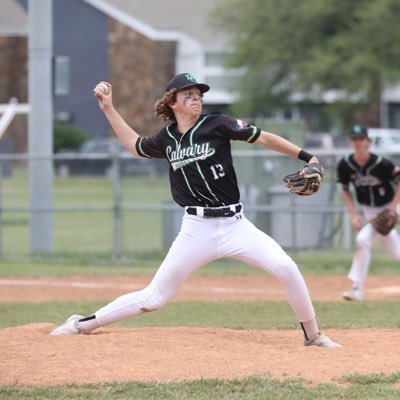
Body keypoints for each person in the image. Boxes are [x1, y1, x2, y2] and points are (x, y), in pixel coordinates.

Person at [50, 73, 341, 347]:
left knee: (286, 267)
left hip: (236, 225)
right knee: (154, 298)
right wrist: (109, 109)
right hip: (195, 229)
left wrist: (308, 156)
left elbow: (263, 137)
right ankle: (80, 324)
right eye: (188, 94)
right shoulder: (166, 140)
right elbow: (134, 145)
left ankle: (312, 336)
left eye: (198, 94)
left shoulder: (218, 124)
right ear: (173, 103)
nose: (196, 98)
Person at [337, 124, 400, 301]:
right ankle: (357, 288)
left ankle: (356, 288)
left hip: (390, 205)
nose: (357, 142)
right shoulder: (345, 165)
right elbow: (345, 190)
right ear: (350, 142)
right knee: (396, 253)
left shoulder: (382, 163)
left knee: (362, 239)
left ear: (368, 142)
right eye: (354, 139)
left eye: (361, 139)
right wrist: (354, 215)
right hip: (370, 212)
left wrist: (393, 208)